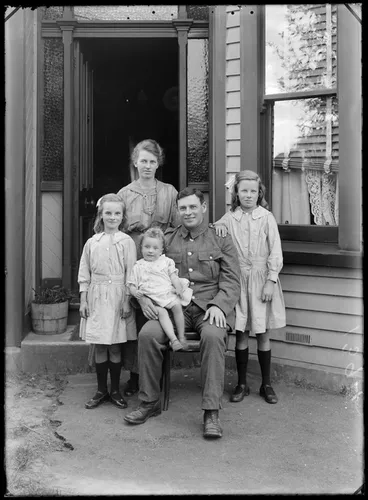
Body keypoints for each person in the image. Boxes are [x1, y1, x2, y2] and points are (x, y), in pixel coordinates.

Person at [124, 188, 241, 439]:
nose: (188, 212)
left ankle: (211, 412)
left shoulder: (220, 238)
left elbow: (232, 279)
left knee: (212, 336)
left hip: (208, 308)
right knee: (147, 335)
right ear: (177, 210)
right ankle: (149, 402)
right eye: (183, 208)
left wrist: (220, 306)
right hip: (171, 307)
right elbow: (146, 270)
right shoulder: (168, 238)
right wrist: (143, 299)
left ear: (204, 208)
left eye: (193, 207)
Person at [214, 170, 286, 405]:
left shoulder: (266, 217)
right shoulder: (229, 218)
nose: (248, 195)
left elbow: (275, 251)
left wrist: (270, 281)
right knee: (242, 333)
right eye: (243, 190)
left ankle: (266, 384)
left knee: (263, 332)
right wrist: (219, 228)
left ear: (259, 193)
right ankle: (242, 383)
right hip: (239, 281)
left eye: (253, 191)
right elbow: (214, 232)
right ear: (236, 192)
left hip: (261, 279)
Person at [116, 138, 180, 398]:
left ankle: (158, 375)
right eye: (143, 161)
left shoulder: (169, 192)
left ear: (158, 164)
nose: (147, 166)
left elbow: (176, 229)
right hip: (133, 264)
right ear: (135, 161)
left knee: (156, 315)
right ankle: (134, 375)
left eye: (152, 162)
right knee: (136, 317)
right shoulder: (124, 194)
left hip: (159, 268)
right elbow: (115, 229)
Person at [78, 193, 137, 410]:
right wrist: (83, 299)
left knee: (115, 346)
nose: (112, 217)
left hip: (118, 296)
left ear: (122, 216)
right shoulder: (92, 242)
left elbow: (131, 272)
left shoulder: (127, 242)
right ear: (101, 215)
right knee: (100, 344)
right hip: (96, 296)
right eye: (108, 213)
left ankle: (115, 390)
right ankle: (101, 390)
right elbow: (84, 272)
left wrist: (127, 300)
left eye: (117, 213)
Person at [128, 227, 193, 352]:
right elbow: (131, 285)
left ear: (162, 249)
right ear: (141, 247)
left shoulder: (166, 262)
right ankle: (173, 340)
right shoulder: (138, 266)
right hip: (152, 299)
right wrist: (136, 292)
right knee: (162, 313)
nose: (151, 251)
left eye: (155, 248)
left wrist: (178, 287)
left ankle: (181, 336)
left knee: (177, 306)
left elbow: (173, 276)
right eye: (147, 247)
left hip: (166, 295)